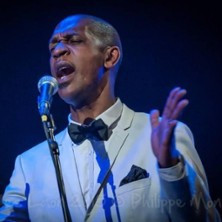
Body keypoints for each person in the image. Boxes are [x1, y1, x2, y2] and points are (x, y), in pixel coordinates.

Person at [0, 14, 220, 222]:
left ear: (109, 56)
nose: (57, 51)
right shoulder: (28, 164)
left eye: (72, 40)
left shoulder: (163, 135)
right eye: (53, 46)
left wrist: (170, 167)